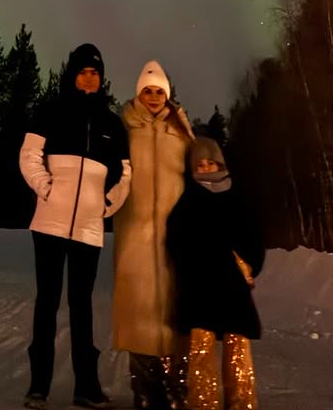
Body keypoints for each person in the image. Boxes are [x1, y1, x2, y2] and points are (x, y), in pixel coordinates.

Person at [19, 42, 132, 410]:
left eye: (95, 72)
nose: (90, 77)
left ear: (101, 78)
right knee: (47, 304)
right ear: (72, 74)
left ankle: (87, 387)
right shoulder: (51, 111)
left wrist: (107, 203)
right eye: (83, 71)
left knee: (81, 307)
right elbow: (29, 155)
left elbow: (125, 174)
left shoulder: (111, 124)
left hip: (88, 229)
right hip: (49, 223)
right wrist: (46, 187)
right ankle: (39, 387)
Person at [112, 61, 196, 409]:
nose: (153, 97)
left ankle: (176, 390)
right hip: (134, 235)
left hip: (175, 238)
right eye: (147, 90)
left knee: (175, 316)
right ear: (138, 93)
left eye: (159, 91)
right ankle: (145, 392)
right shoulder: (123, 128)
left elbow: (201, 176)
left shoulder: (181, 131)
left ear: (167, 94)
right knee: (139, 316)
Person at [165, 138, 264, 410]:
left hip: (232, 285)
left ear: (220, 163)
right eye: (200, 164)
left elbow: (253, 233)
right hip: (199, 286)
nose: (206, 168)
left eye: (211, 162)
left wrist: (250, 263)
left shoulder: (236, 195)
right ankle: (203, 402)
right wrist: (187, 267)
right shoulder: (187, 198)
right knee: (201, 350)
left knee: (237, 348)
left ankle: (241, 401)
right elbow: (175, 239)